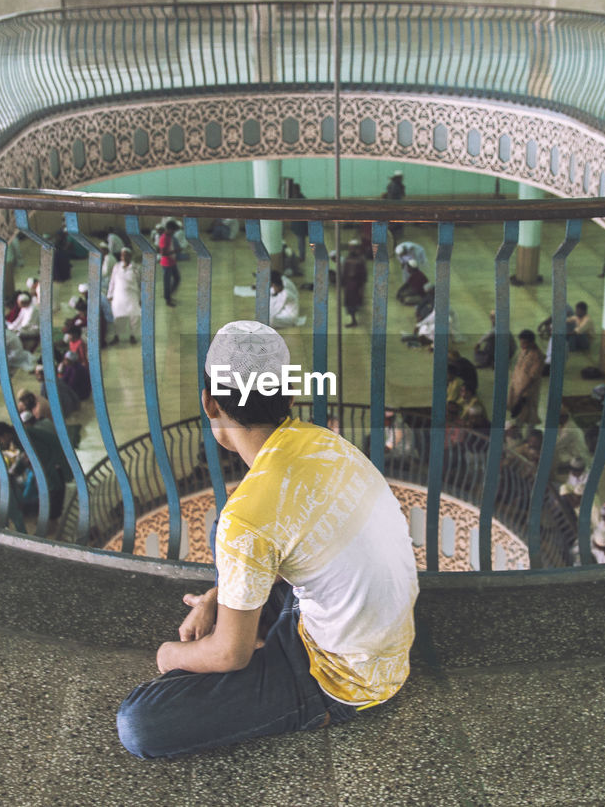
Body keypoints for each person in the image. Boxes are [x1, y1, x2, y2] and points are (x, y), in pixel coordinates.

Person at [116, 320, 418, 759]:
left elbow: (229, 656)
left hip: (346, 680)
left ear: (210, 403)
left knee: (139, 722)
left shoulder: (246, 515)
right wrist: (218, 597)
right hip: (384, 644)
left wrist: (170, 654)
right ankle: (264, 635)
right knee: (240, 580)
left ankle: (304, 696)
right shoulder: (326, 443)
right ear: (288, 398)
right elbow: (291, 546)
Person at [508, 329, 543, 427]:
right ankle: (517, 433)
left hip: (527, 390)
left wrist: (522, 391)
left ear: (532, 342)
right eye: (521, 342)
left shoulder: (537, 356)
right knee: (517, 412)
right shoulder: (524, 350)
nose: (521, 345)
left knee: (529, 413)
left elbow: (532, 377)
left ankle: (530, 435)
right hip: (517, 386)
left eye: (524, 343)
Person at [108, 248, 142, 344]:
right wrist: (110, 294)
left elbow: (140, 283)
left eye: (126, 255)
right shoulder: (116, 267)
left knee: (135, 317)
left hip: (132, 296)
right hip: (118, 296)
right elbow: (112, 281)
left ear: (130, 256)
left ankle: (133, 336)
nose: (124, 257)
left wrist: (141, 298)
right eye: (123, 255)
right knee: (118, 317)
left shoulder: (136, 268)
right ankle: (117, 336)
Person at [340, 241, 367, 328]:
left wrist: (361, 288)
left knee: (354, 303)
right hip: (348, 285)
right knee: (349, 303)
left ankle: (354, 320)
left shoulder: (360, 260)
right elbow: (344, 271)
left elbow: (363, 275)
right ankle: (353, 319)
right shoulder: (347, 258)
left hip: (356, 285)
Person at [158, 223, 180, 306]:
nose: (174, 232)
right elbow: (163, 253)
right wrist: (175, 251)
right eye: (173, 230)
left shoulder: (169, 236)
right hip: (166, 263)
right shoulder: (164, 238)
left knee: (177, 278)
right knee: (167, 282)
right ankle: (168, 299)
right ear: (169, 229)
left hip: (172, 261)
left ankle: (168, 295)